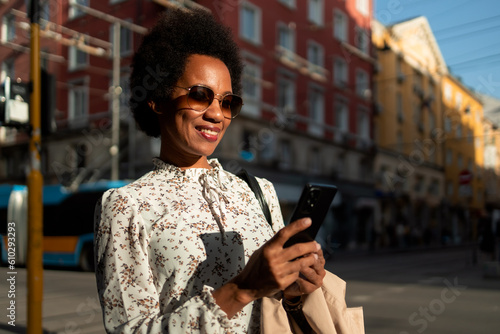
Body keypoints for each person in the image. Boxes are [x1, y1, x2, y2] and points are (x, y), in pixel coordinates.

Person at [94, 8, 326, 333]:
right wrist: (240, 290)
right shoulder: (125, 207)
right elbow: (129, 330)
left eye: (227, 102)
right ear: (158, 100)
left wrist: (295, 291)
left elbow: (274, 306)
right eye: (200, 96)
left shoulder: (258, 192)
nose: (217, 114)